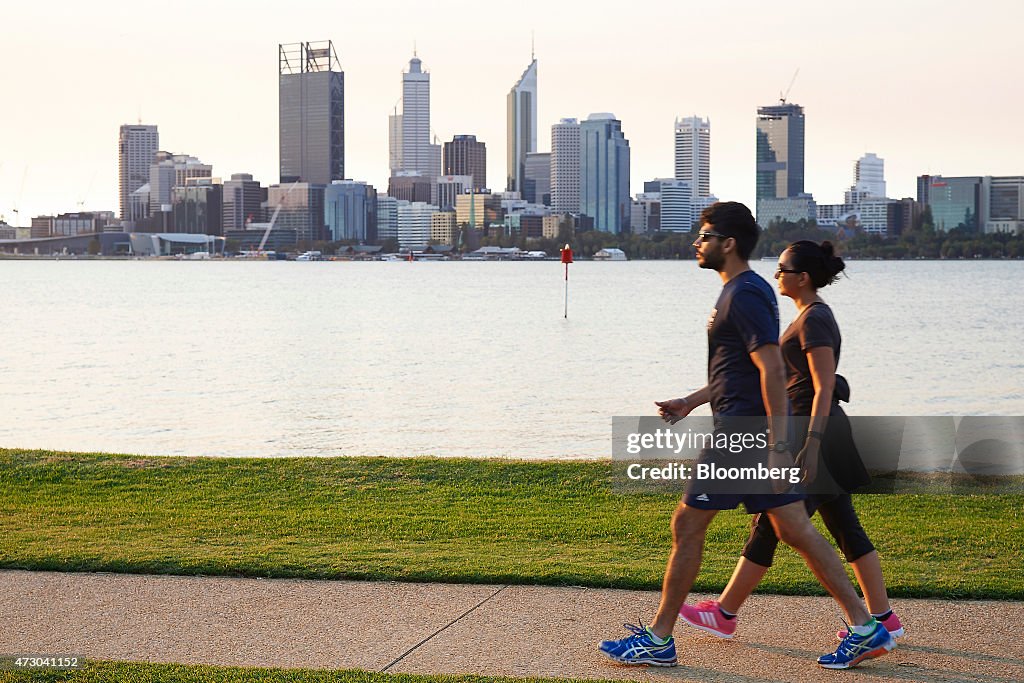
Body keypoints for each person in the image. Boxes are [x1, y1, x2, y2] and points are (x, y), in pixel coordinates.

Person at [598, 203, 894, 670]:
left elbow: (772, 369)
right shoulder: (738, 292)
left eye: (705, 235)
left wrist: (778, 446)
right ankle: (865, 626)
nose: (698, 243)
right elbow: (738, 371)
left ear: (728, 243)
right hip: (743, 427)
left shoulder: (746, 293)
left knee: (688, 525)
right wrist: (692, 402)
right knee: (793, 527)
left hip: (742, 434)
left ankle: (658, 639)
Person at [678, 240, 903, 643]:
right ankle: (883, 618)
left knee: (772, 524)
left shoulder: (814, 319)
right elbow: (750, 375)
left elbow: (823, 386)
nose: (776, 274)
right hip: (818, 432)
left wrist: (810, 447)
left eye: (782, 269)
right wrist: (692, 401)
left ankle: (726, 613)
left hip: (813, 434)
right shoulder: (807, 317)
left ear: (802, 278)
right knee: (842, 526)